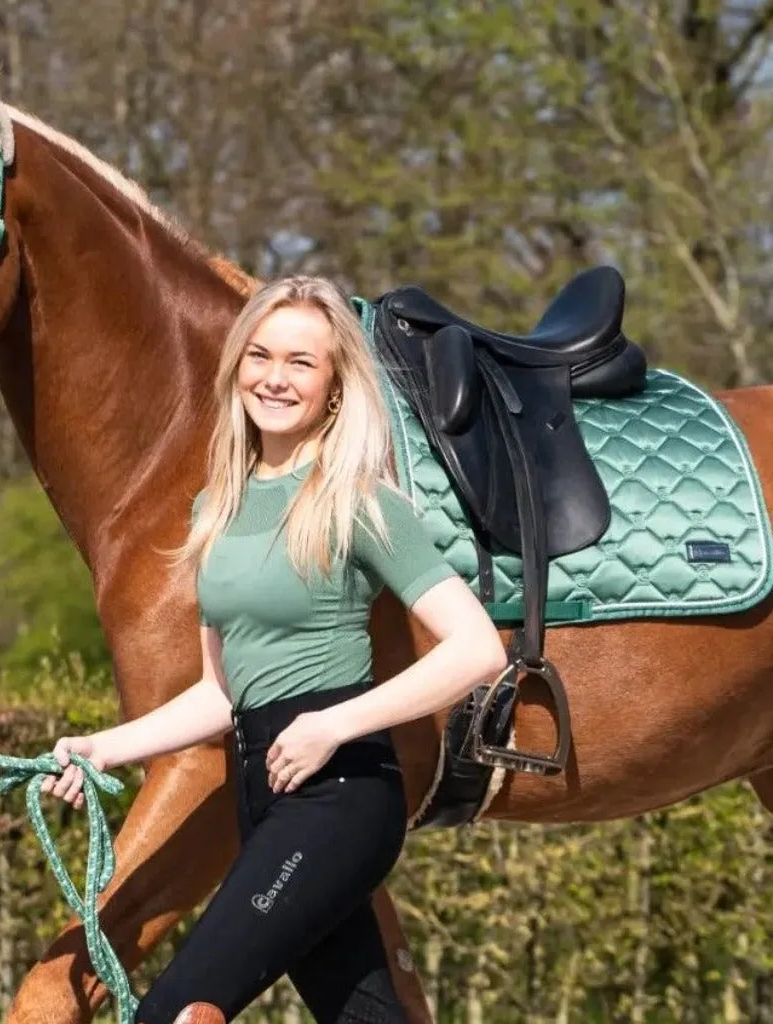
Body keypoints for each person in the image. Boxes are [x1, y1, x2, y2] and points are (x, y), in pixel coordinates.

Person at [43, 276, 507, 1023]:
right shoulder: (216, 508)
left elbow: (477, 649)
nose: (275, 377)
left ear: (333, 386)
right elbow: (221, 692)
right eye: (259, 355)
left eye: (301, 362)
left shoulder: (359, 500)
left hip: (340, 797)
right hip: (264, 794)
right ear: (236, 368)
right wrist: (103, 748)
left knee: (175, 1011)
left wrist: (334, 724)